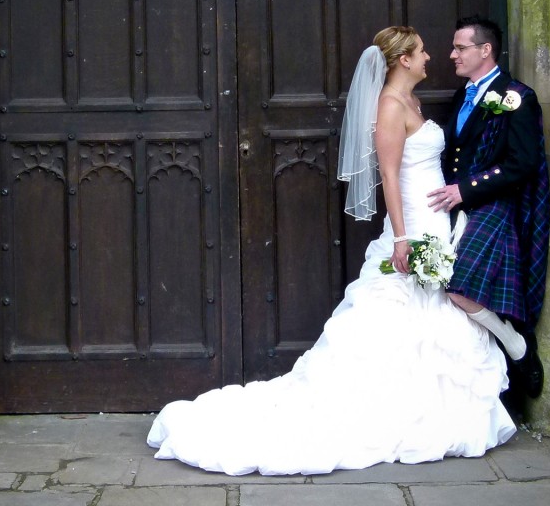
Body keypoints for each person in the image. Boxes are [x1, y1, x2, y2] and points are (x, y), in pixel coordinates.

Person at [146, 27, 515, 476]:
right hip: (415, 223)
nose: (430, 57)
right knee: (404, 313)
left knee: (439, 308)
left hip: (439, 218)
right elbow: (391, 178)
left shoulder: (415, 103)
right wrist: (402, 238)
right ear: (402, 60)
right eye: (421, 52)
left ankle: (445, 399)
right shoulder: (390, 107)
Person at [427, 16, 550, 408]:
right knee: (440, 283)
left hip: (495, 204)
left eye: (460, 47)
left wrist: (467, 190)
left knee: (458, 285)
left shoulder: (517, 96)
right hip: (454, 206)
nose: (452, 55)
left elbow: (523, 163)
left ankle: (518, 347)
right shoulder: (462, 96)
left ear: (485, 50)